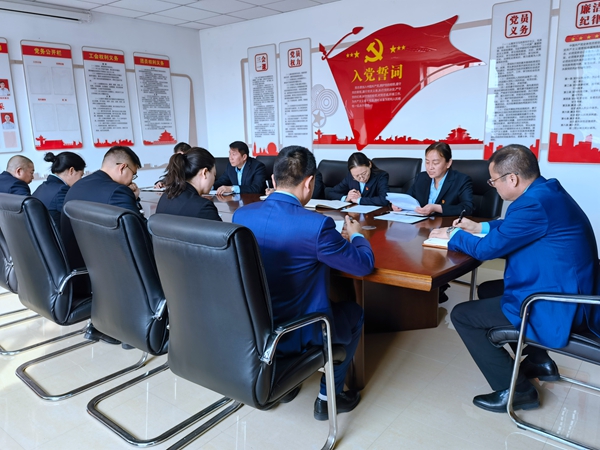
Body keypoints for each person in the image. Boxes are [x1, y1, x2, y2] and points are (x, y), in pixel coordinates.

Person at [428, 144, 598, 413]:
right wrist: (480, 226)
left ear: (513, 179)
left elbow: (486, 250)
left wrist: (453, 235)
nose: (493, 186)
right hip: (571, 287)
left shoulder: (533, 204)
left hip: (560, 303)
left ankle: (518, 392)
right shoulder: (546, 191)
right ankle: (538, 360)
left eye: (493, 180)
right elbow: (515, 226)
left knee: (463, 315)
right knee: (488, 289)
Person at [233, 145, 374, 421]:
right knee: (355, 313)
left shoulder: (242, 215)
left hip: (256, 325)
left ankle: (284, 382)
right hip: (301, 329)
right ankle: (327, 398)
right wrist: (358, 236)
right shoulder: (317, 226)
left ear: (273, 179)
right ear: (309, 182)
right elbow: (363, 265)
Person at [61, 146, 142, 346]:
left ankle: (102, 324)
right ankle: (136, 327)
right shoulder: (118, 191)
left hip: (77, 267)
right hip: (105, 273)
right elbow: (137, 232)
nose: (132, 180)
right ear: (123, 167)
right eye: (133, 174)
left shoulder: (78, 186)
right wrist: (133, 198)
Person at [395, 142, 474, 216]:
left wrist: (437, 208)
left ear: (448, 163)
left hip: (445, 224)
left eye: (435, 163)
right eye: (427, 162)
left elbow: (468, 208)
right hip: (422, 223)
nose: (430, 167)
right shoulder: (422, 177)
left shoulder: (461, 180)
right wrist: (398, 204)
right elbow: (407, 198)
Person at [156, 147, 221, 221]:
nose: (214, 180)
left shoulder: (165, 197)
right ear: (204, 173)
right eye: (214, 175)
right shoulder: (204, 207)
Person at [32, 152, 86, 231]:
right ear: (71, 170)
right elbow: (78, 218)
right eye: (81, 175)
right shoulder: (62, 190)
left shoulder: (43, 187)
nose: (80, 180)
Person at [325, 153, 389, 206]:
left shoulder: (381, 176)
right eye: (357, 176)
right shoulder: (350, 177)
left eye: (364, 173)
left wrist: (359, 200)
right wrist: (347, 198)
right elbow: (331, 193)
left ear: (370, 164)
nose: (362, 178)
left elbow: (385, 199)